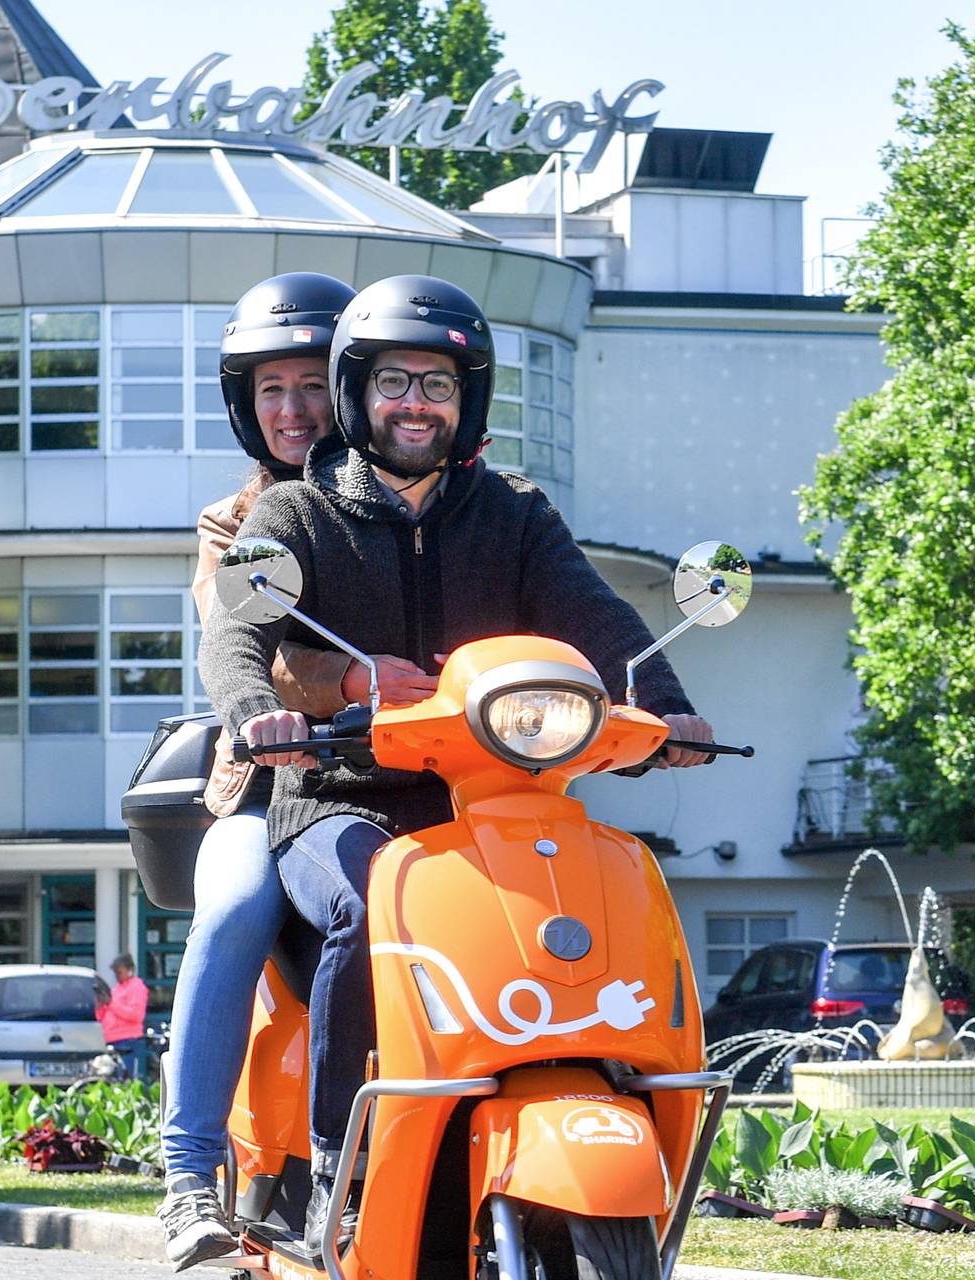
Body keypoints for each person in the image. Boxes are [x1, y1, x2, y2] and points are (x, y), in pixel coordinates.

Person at [201, 274, 716, 1246]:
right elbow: (236, 631)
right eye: (393, 380)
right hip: (339, 804)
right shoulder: (299, 515)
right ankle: (335, 1180)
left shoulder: (513, 512)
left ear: (465, 400)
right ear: (357, 390)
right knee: (368, 896)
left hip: (489, 807)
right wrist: (252, 708)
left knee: (596, 883)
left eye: (437, 385)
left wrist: (670, 707)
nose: (414, 403)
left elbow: (594, 614)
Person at [154, 271, 440, 1271]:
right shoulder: (236, 520)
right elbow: (250, 650)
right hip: (275, 777)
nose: (292, 410)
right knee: (232, 905)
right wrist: (355, 676)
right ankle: (187, 1173)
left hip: (420, 773)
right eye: (269, 391)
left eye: (310, 385)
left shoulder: (429, 496)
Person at [99, 957, 151, 1082]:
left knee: (125, 1079)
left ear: (130, 970)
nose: (117, 976)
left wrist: (110, 1003)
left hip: (127, 1040)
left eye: (119, 972)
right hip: (111, 1040)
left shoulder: (137, 987)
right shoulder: (117, 989)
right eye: (115, 973)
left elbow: (136, 1015)